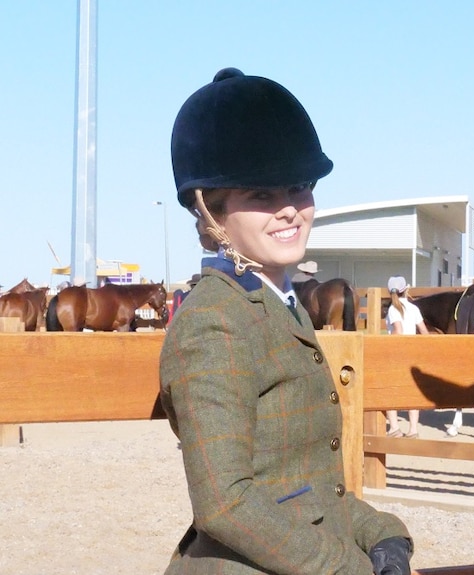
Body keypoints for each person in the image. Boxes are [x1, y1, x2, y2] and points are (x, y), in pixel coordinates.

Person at [160, 67, 412, 575]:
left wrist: (380, 533)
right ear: (212, 212)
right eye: (261, 196)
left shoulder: (282, 305)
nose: (290, 210)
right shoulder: (214, 321)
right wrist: (351, 567)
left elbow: (304, 485)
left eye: (299, 188)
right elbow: (226, 504)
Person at [385, 276, 429, 438]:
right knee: (411, 391)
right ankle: (413, 429)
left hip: (396, 354)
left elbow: (398, 330)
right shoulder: (414, 308)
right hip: (412, 354)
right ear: (406, 290)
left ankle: (394, 427)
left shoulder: (392, 309)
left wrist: (386, 344)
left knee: (389, 390)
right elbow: (424, 332)